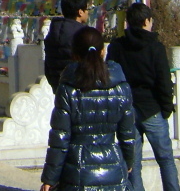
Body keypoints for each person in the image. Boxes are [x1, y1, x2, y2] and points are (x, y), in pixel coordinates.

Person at [40, 26, 136, 191]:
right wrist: (128, 161)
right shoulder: (121, 88)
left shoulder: (68, 89)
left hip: (76, 172)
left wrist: (50, 178)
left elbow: (60, 139)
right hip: (113, 166)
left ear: (75, 55)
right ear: (103, 51)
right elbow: (127, 135)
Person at [107, 2, 180, 191]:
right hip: (152, 109)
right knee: (166, 160)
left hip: (127, 110)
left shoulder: (117, 46)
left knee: (133, 164)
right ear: (147, 21)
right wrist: (165, 109)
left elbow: (111, 77)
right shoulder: (155, 47)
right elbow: (164, 82)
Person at [44, 0, 90, 90]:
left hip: (59, 91)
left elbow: (48, 68)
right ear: (80, 12)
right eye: (86, 9)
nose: (88, 12)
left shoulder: (52, 34)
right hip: (80, 91)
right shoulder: (84, 35)